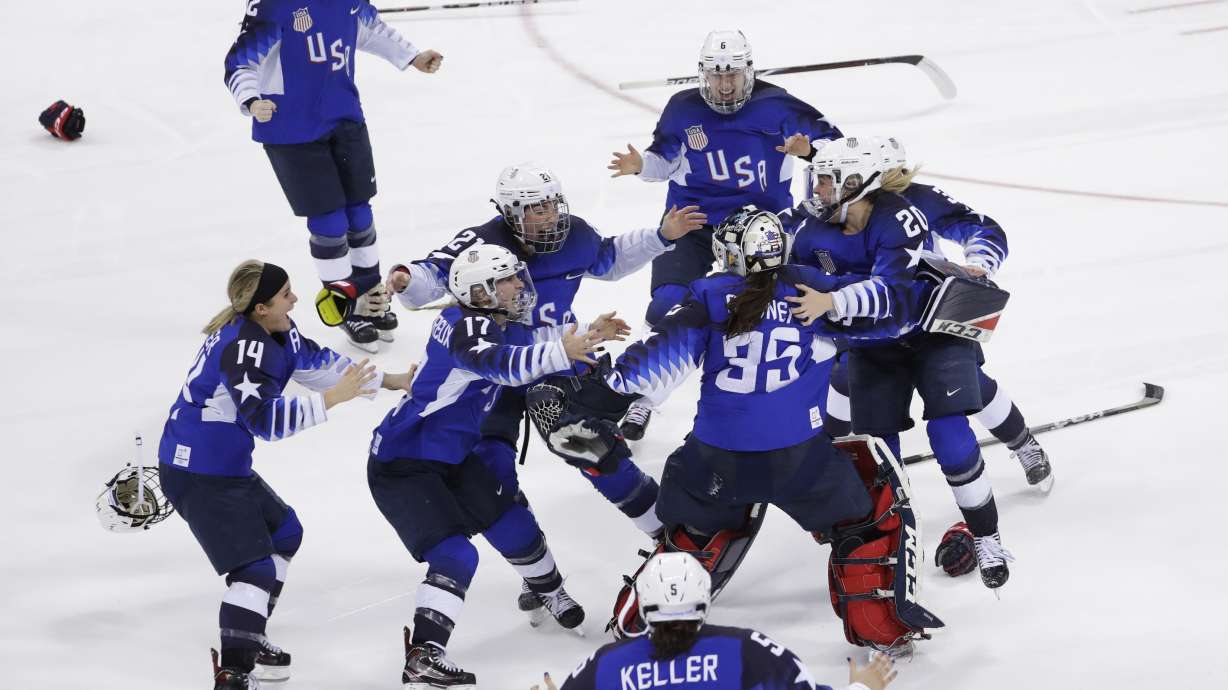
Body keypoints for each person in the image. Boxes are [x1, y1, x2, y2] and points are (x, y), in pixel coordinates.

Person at [526, 207, 941, 654]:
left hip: (715, 461)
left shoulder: (704, 296)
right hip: (801, 461)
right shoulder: (813, 288)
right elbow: (892, 311)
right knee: (869, 519)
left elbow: (645, 372)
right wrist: (909, 293)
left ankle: (648, 611)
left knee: (692, 529)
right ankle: (881, 628)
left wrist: (585, 401)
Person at [386, 163, 703, 621]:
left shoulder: (573, 234)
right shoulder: (482, 243)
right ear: (510, 213)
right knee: (493, 478)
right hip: (492, 373)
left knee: (579, 438)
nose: (549, 215)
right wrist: (405, 279)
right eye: (535, 208)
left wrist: (660, 235)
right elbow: (435, 273)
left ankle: (666, 529)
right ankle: (539, 577)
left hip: (552, 356)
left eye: (552, 203)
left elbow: (608, 259)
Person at [369, 244, 626, 689]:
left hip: (451, 454)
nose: (517, 286)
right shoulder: (466, 329)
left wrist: (587, 332)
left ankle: (549, 591)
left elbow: (527, 342)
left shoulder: (487, 322)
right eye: (506, 279)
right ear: (481, 290)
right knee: (456, 554)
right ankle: (423, 655)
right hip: (404, 463)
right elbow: (503, 365)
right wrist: (564, 352)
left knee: (512, 521)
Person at [156, 260, 414, 690]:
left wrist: (393, 380)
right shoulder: (244, 349)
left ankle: (249, 632)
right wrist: (331, 401)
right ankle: (235, 673)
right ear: (260, 308)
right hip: (199, 469)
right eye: (285, 294)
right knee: (254, 567)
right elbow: (266, 421)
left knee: (284, 532)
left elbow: (319, 364)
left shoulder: (278, 330)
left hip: (220, 465)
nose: (295, 299)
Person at [781, 136, 1016, 589]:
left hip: (931, 335)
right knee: (878, 454)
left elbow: (891, 292)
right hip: (871, 345)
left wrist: (981, 263)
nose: (819, 192)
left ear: (859, 181)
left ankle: (988, 534)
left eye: (829, 183)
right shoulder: (813, 225)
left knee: (950, 431)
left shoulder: (905, 213)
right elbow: (779, 255)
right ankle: (891, 542)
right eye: (820, 181)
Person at [606, 29, 842, 440]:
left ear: (748, 72)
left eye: (732, 74)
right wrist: (640, 165)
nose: (725, 84)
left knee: (788, 310)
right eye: (716, 75)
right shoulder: (682, 108)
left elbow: (840, 151)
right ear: (703, 75)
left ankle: (822, 399)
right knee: (667, 306)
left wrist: (811, 152)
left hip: (760, 227)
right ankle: (643, 400)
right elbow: (662, 160)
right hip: (692, 219)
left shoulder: (779, 105)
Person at [223, 0, 444, 351]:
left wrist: (412, 56)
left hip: (344, 116)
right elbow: (240, 60)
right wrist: (251, 99)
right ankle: (342, 303)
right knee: (328, 221)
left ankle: (369, 293)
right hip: (291, 129)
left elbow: (369, 30)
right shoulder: (274, 5)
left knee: (360, 212)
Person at [532, 553, 899, 690]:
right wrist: (864, 687)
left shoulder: (604, 667)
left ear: (643, 607)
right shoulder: (748, 651)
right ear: (704, 601)